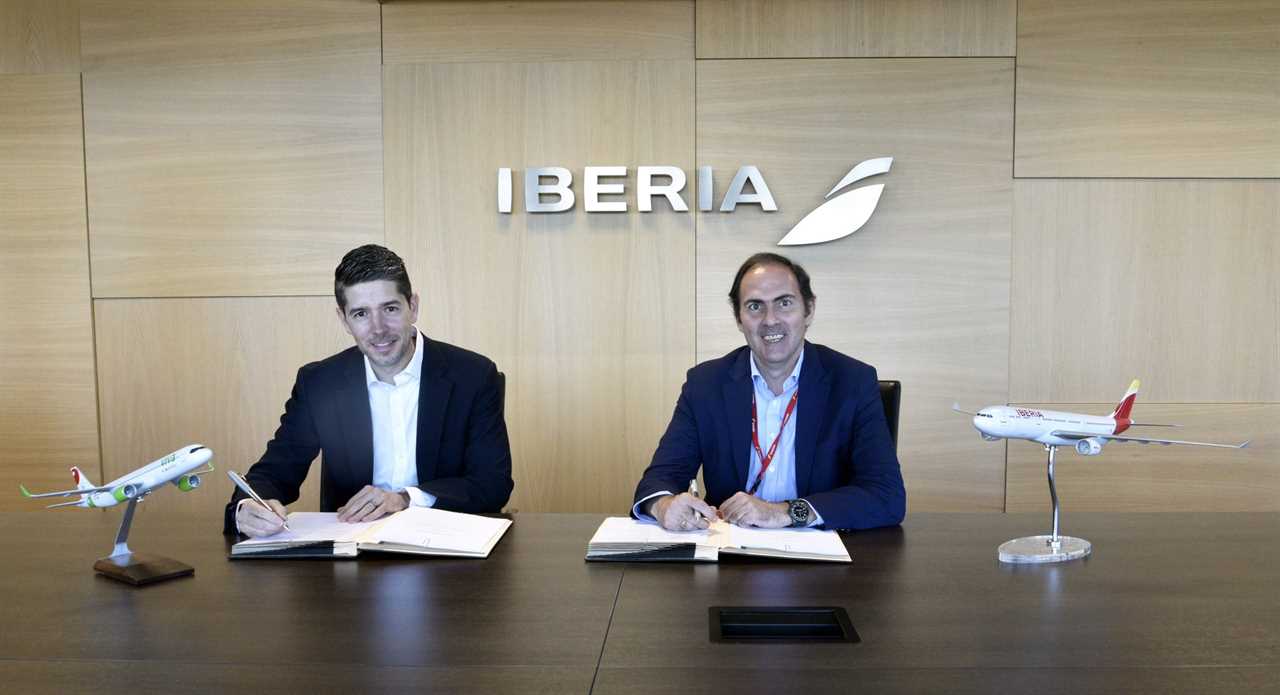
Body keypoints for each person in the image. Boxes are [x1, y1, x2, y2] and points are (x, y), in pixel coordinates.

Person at [224, 245, 513, 536]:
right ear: (344, 320)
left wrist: (404, 499)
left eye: (389, 309)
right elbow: (275, 472)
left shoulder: (473, 376)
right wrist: (247, 506)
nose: (378, 329)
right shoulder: (320, 383)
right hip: (353, 553)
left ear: (412, 306)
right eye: (361, 313)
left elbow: (492, 484)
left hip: (447, 549)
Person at [632, 252, 905, 531]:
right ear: (739, 319)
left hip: (824, 557)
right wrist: (664, 506)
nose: (770, 320)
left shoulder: (852, 382)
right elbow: (658, 480)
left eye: (784, 303)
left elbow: (886, 495)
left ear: (808, 310)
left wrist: (785, 513)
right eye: (754, 306)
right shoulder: (706, 384)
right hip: (731, 554)